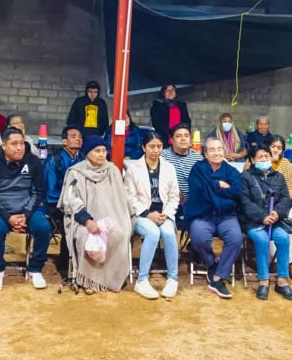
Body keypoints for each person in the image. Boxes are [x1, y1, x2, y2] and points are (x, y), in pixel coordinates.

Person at [0, 127, 50, 292]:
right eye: (14, 144)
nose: (19, 148)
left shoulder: (33, 162)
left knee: (43, 227)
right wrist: (8, 217)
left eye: (21, 143)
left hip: (26, 210)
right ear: (3, 146)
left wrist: (25, 215)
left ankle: (35, 269)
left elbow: (38, 192)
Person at [58, 135, 132, 294]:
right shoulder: (76, 172)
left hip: (110, 219)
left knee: (119, 234)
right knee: (86, 236)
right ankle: (89, 281)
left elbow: (121, 199)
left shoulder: (112, 170)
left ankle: (110, 279)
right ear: (87, 153)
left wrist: (118, 220)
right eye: (97, 151)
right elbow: (69, 201)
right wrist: (87, 221)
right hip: (83, 221)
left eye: (104, 151)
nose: (101, 154)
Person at [184, 137, 244, 299]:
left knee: (236, 239)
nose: (216, 153)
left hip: (226, 216)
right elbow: (197, 190)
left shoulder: (232, 171)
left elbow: (237, 192)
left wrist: (210, 189)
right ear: (205, 153)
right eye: (212, 149)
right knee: (199, 238)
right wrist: (219, 185)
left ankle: (218, 277)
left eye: (219, 149)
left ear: (224, 151)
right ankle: (212, 264)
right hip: (202, 215)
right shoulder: (198, 168)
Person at [124, 131, 180, 300]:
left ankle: (172, 278)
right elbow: (130, 197)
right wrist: (148, 214)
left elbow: (174, 196)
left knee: (169, 233)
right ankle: (142, 280)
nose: (156, 150)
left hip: (164, 214)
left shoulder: (169, 167)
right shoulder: (133, 169)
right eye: (152, 146)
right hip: (141, 215)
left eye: (159, 146)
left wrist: (166, 214)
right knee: (153, 232)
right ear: (144, 148)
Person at [239, 144, 292, 301]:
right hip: (253, 221)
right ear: (252, 160)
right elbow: (244, 202)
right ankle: (263, 281)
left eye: (266, 156)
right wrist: (262, 216)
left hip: (275, 221)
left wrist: (277, 213)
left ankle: (282, 281)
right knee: (262, 239)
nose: (264, 159)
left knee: (283, 238)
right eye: (260, 157)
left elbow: (285, 199)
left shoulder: (279, 177)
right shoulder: (245, 177)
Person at [43, 125, 83, 278]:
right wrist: (67, 203)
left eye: (80, 136)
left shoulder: (83, 159)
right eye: (73, 136)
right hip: (57, 204)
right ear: (64, 142)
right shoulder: (54, 160)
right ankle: (66, 264)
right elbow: (49, 192)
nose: (78, 139)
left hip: (79, 204)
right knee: (71, 221)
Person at [268, 135, 292, 280]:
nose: (276, 150)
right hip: (263, 204)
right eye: (273, 146)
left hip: (282, 203)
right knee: (271, 224)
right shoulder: (258, 159)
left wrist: (283, 204)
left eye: (279, 148)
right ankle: (275, 261)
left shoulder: (286, 163)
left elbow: (291, 188)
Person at [161, 124, 202, 209]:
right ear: (171, 140)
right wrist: (176, 192)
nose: (183, 139)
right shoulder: (163, 156)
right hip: (167, 203)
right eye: (178, 136)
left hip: (193, 204)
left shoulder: (198, 158)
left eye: (186, 136)